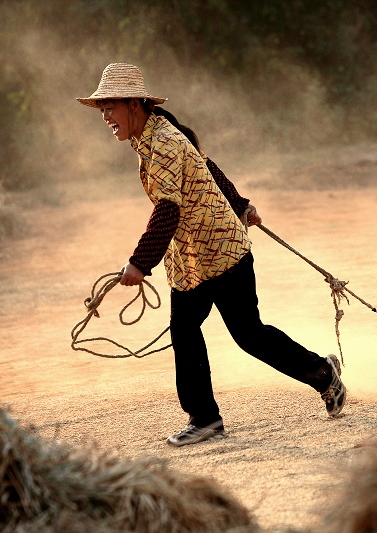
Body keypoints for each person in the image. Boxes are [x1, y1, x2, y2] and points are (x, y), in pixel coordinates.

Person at [77, 63, 346, 446]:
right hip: (191, 260)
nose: (105, 116)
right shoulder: (148, 137)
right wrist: (240, 203)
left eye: (110, 107)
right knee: (189, 331)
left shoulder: (163, 142)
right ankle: (207, 416)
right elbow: (204, 165)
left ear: (135, 103)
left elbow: (168, 209)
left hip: (221, 253)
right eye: (101, 108)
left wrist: (140, 262)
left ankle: (319, 374)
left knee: (246, 334)